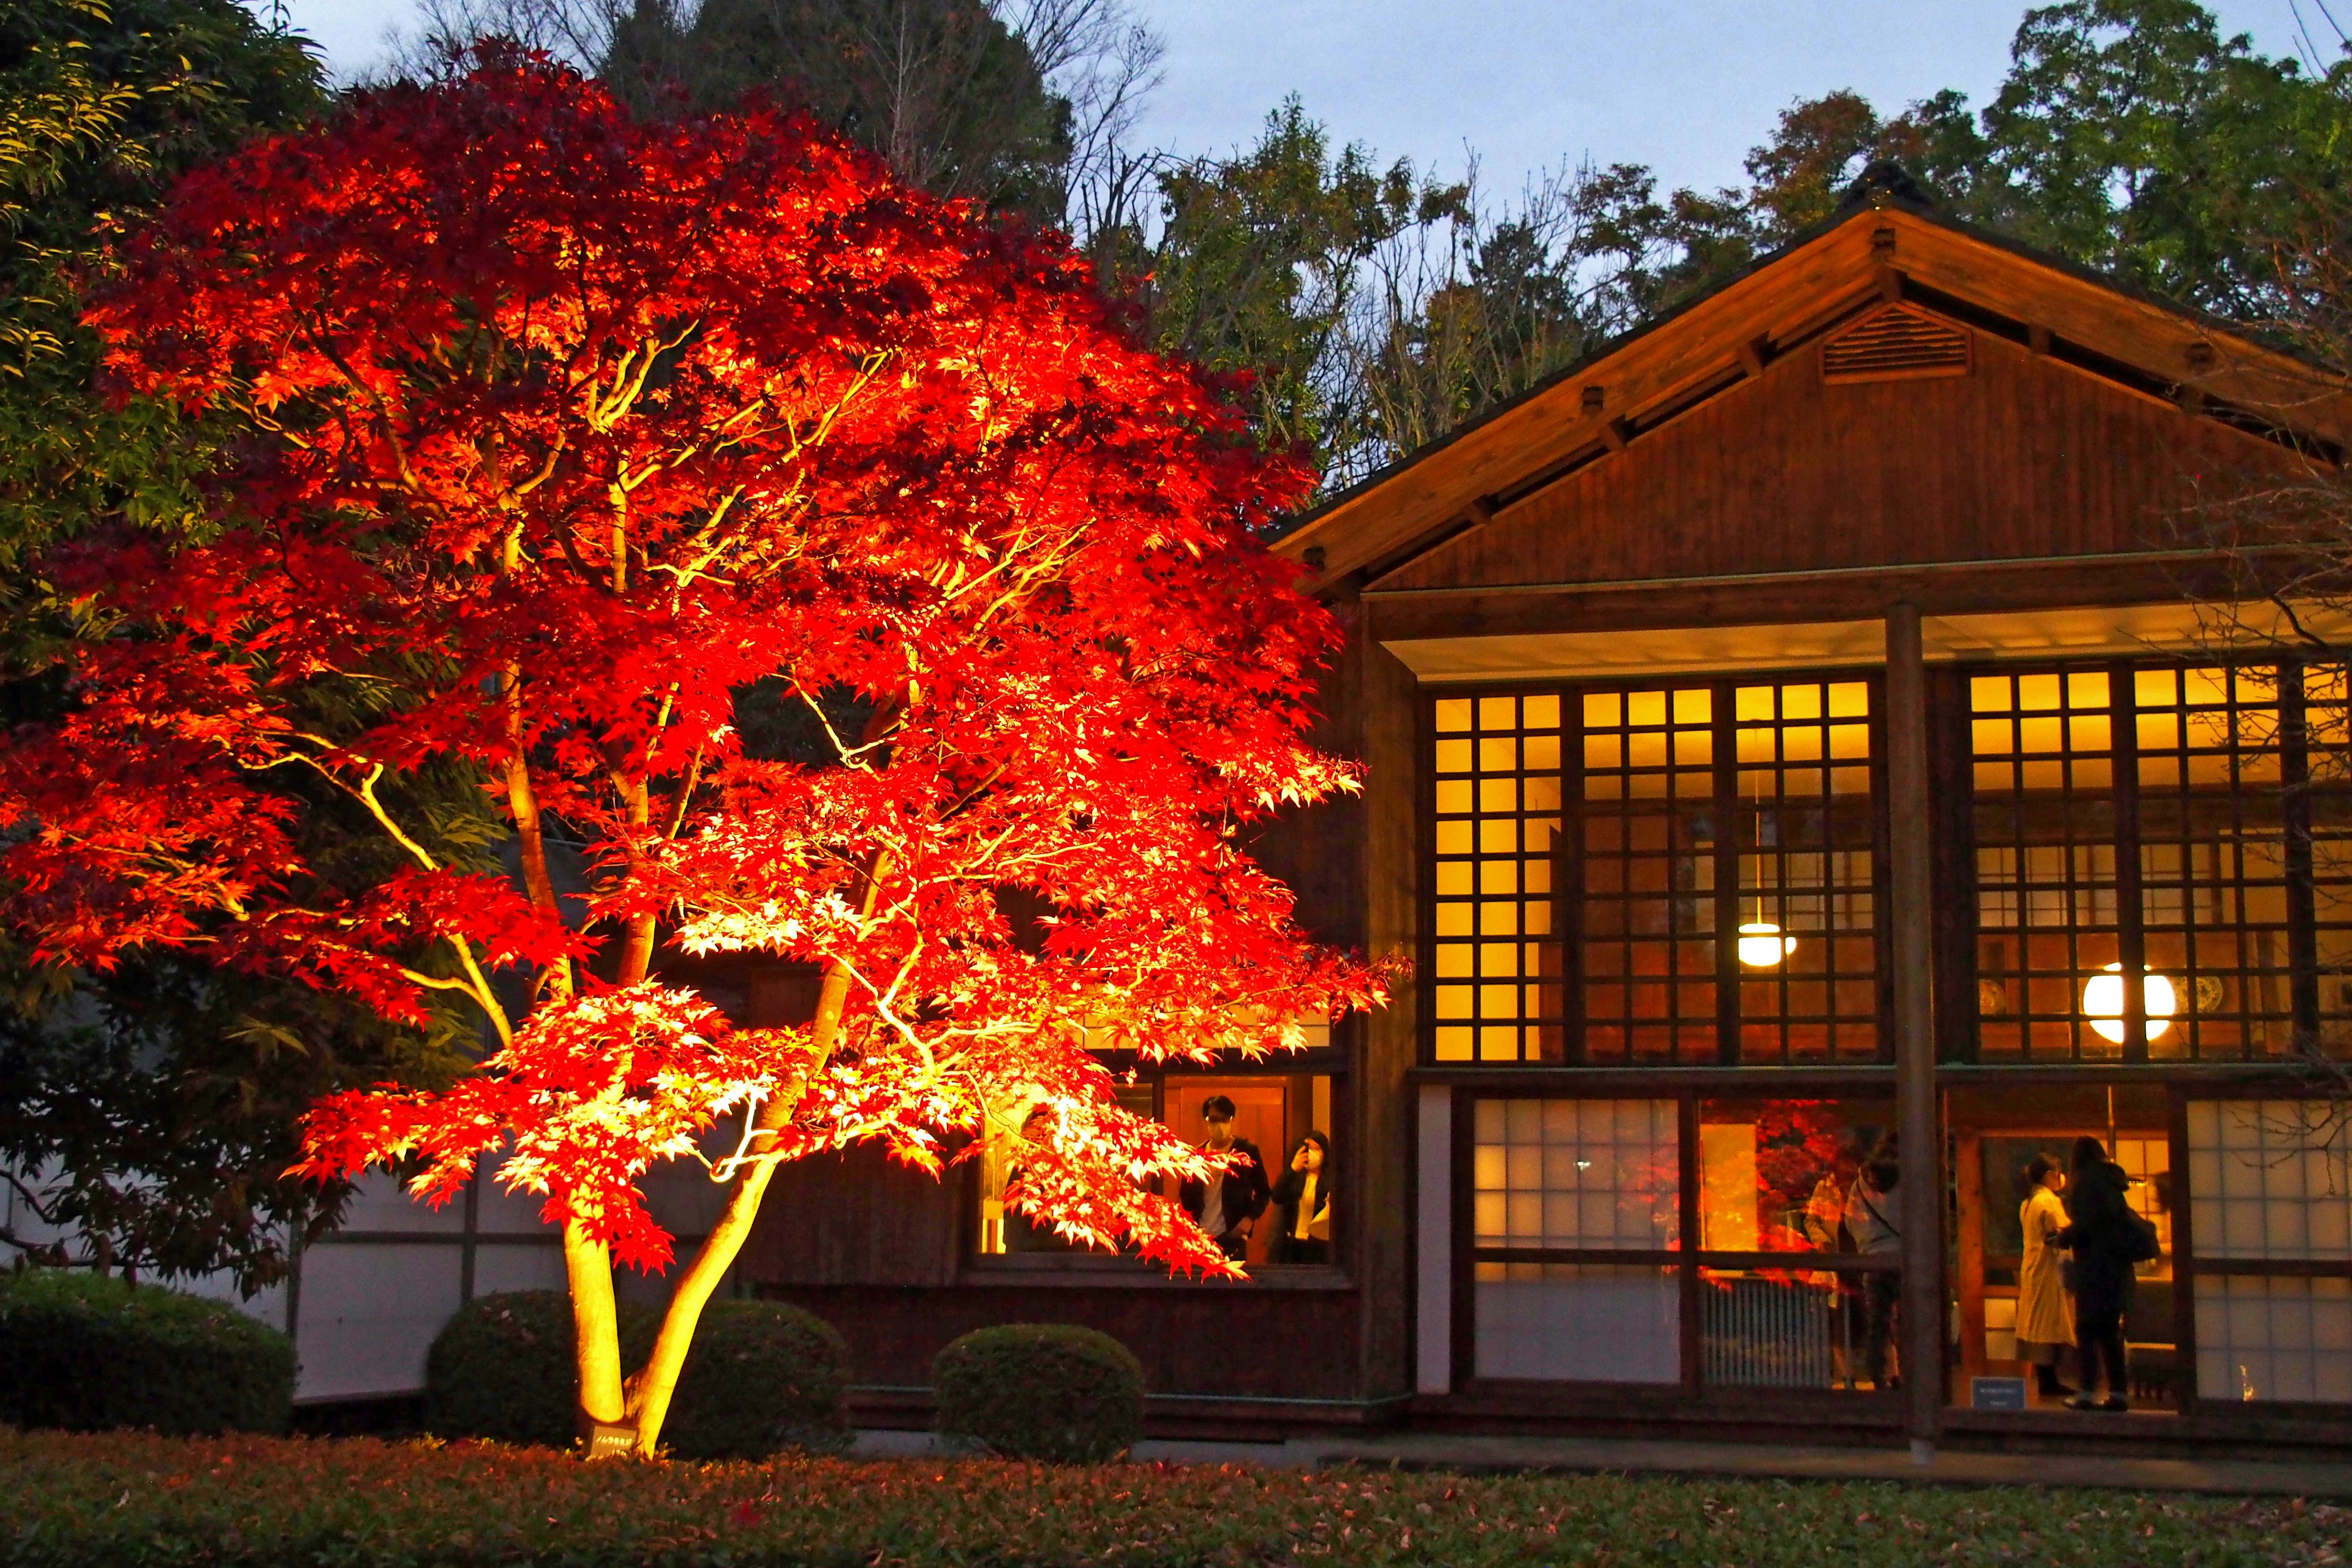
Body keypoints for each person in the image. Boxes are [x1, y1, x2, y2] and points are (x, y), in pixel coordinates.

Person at [2056, 1135, 2138, 1412]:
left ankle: (2088, 1392)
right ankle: (2119, 1393)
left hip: (2094, 1268)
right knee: (2110, 1332)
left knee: (2087, 1330)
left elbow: (2089, 1225)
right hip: (2117, 1268)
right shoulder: (2112, 1184)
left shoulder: (2086, 1185)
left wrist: (2065, 1236)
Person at [1841, 1133, 1902, 1390]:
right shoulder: (1908, 1178)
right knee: (1911, 1320)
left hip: (1873, 1259)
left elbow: (1851, 1221)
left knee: (1877, 1321)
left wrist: (1867, 1244)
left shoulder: (1860, 1184)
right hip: (1904, 1258)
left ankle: (1877, 1374)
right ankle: (1911, 1374)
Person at [1178, 1095, 1269, 1261]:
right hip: (1201, 1236)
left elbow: (1263, 1191)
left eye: (1224, 1120)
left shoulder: (1246, 1152)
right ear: (1207, 1121)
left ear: (1231, 1120)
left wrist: (1249, 1219)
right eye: (1214, 1120)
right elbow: (1186, 1196)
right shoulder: (1195, 1156)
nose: (1219, 1125)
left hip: (1233, 1235)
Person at [2015, 1153, 2075, 1400]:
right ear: (2051, 1175)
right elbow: (2057, 1237)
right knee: (2049, 1325)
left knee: (2038, 1325)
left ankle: (2046, 1380)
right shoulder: (2048, 1202)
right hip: (2049, 1269)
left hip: (2033, 1268)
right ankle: (2050, 1382)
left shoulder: (2028, 1202)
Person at [1269, 1131, 1333, 1264]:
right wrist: (1292, 1169)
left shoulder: (1330, 1180)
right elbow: (1276, 1196)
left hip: (1318, 1246)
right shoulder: (1295, 1177)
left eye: (1316, 1149)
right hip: (1292, 1244)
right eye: (1309, 1149)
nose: (1312, 1153)